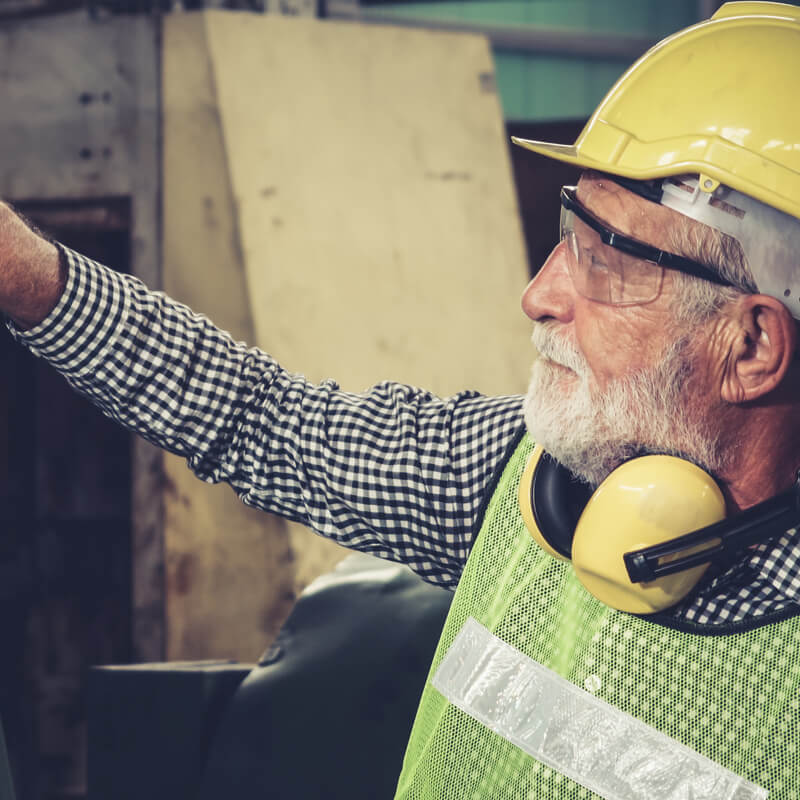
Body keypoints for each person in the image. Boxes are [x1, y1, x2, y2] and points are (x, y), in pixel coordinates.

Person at [3, 2, 800, 797]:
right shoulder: (515, 486)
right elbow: (258, 418)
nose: (539, 293)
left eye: (606, 261)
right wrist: (23, 274)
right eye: (569, 235)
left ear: (753, 347)